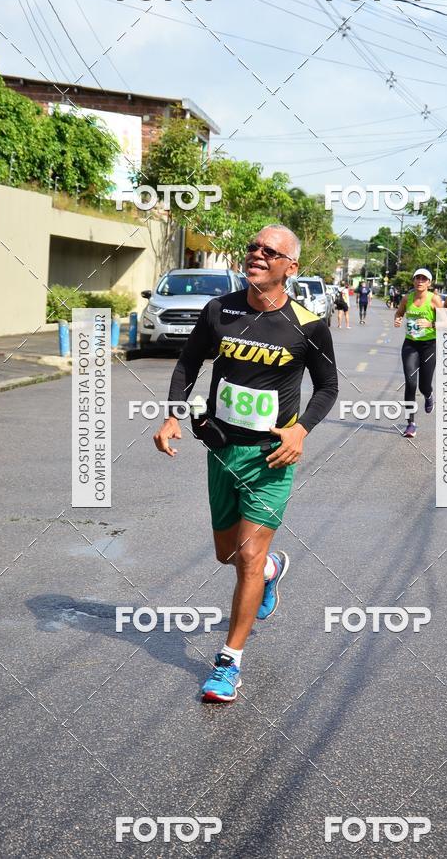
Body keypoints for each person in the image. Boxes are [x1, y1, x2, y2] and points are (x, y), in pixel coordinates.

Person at [154, 225, 338, 702]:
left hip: (270, 456)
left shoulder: (308, 325)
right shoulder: (220, 310)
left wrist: (300, 430)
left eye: (269, 252)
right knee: (229, 555)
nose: (257, 255)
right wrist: (174, 415)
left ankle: (228, 662)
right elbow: (188, 363)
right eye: (254, 248)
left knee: (248, 558)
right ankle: (274, 571)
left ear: (289, 267)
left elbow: (328, 388)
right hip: (221, 448)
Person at [394, 268, 444, 438]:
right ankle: (410, 424)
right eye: (417, 278)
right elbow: (399, 313)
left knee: (424, 385)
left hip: (429, 346)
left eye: (424, 279)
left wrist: (430, 325)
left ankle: (429, 395)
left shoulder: (435, 300)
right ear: (413, 280)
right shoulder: (407, 298)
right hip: (410, 345)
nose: (420, 281)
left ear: (429, 283)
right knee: (410, 382)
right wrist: (398, 319)